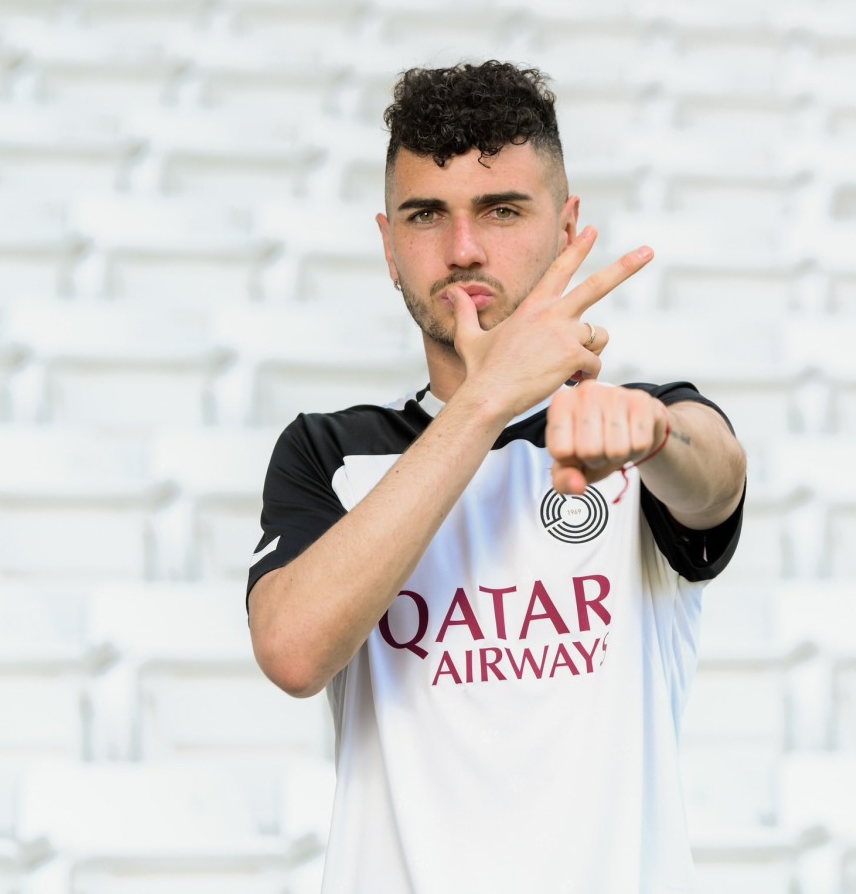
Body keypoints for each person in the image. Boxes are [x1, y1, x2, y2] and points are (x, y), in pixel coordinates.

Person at [246, 60, 747, 893]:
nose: (464, 249)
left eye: (502, 210)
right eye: (426, 215)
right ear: (388, 246)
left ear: (566, 223)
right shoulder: (329, 454)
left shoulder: (633, 428)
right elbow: (294, 651)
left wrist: (659, 436)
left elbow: (715, 478)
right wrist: (483, 404)